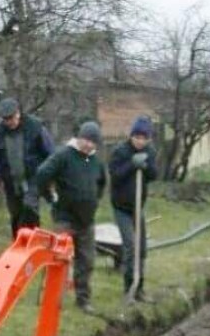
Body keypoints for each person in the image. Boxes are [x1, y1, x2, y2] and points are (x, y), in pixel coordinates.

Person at [36, 121, 106, 312]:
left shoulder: (95, 161)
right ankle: (50, 298)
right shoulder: (63, 155)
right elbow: (42, 174)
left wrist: (93, 201)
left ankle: (83, 300)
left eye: (93, 142)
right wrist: (51, 197)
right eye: (86, 140)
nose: (89, 145)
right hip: (65, 217)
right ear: (79, 137)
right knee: (57, 258)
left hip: (86, 219)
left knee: (87, 260)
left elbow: (101, 183)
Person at [108, 115, 158, 302]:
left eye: (144, 138)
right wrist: (132, 164)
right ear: (131, 136)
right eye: (137, 137)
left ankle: (140, 289)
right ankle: (128, 288)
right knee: (130, 246)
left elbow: (154, 175)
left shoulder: (150, 151)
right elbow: (115, 175)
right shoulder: (120, 151)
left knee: (142, 248)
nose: (140, 141)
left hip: (138, 207)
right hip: (121, 207)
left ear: (148, 139)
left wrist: (145, 166)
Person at [0, 97, 55, 238]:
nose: (9, 122)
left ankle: (32, 240)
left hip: (34, 176)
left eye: (11, 118)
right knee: (16, 214)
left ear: (18, 113)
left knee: (29, 207)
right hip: (11, 180)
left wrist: (51, 177)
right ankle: (17, 244)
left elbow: (50, 154)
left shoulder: (36, 127)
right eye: (5, 119)